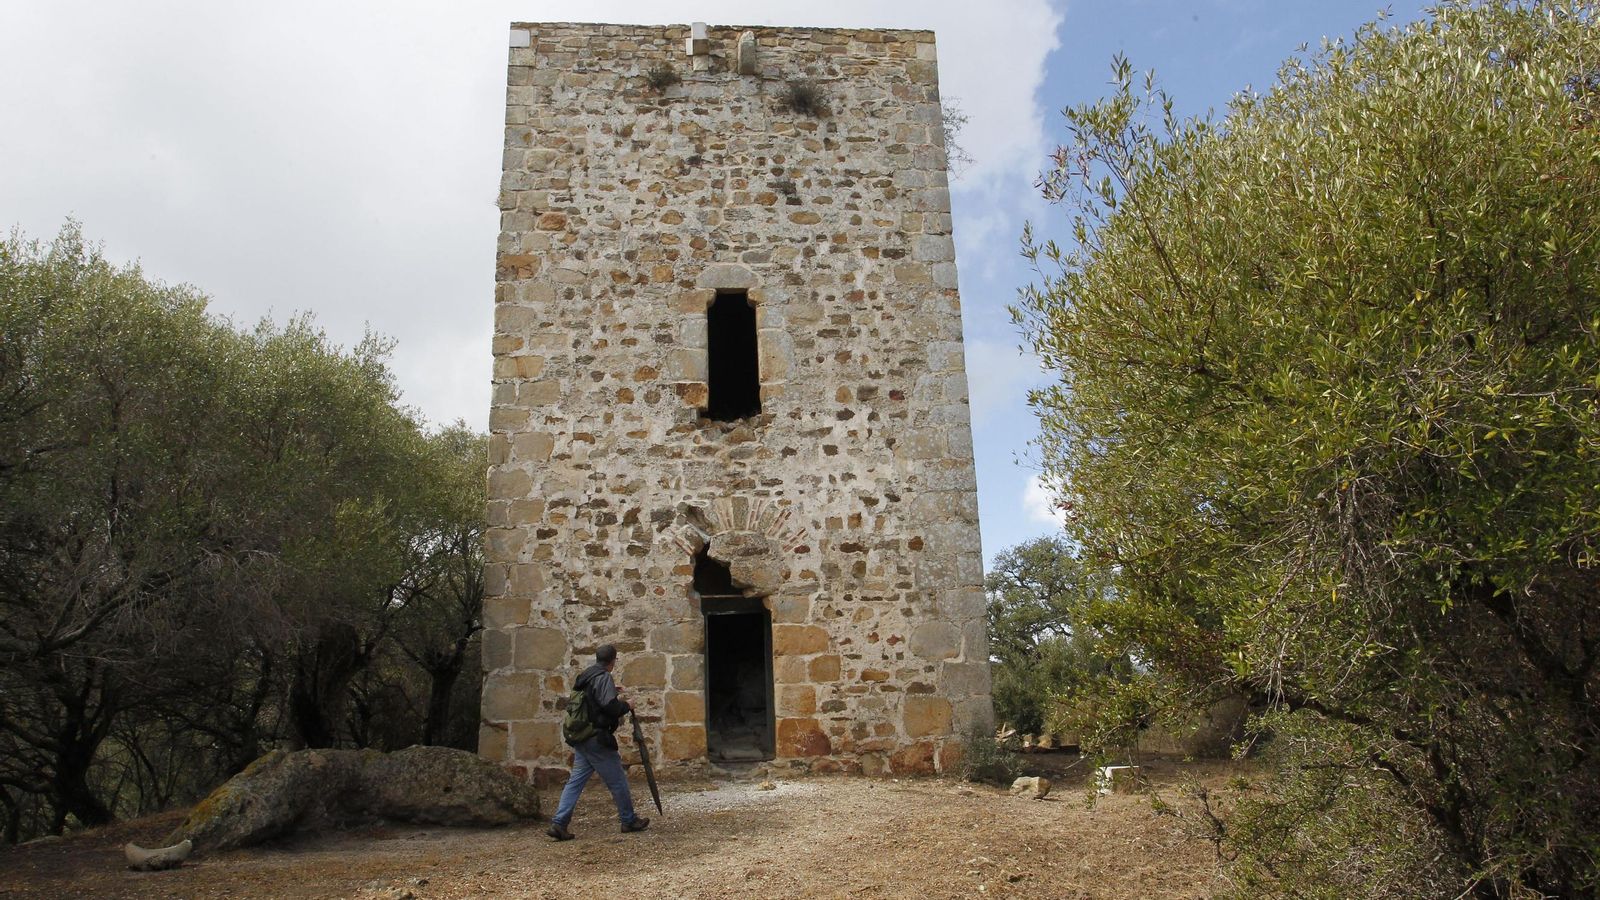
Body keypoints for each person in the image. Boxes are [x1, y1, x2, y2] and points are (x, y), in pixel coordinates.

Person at [546, 644, 650, 840]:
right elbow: (610, 707)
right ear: (612, 661)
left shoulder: (586, 676)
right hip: (596, 738)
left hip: (582, 737)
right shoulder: (603, 677)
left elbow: (593, 700)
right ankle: (629, 820)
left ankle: (559, 823)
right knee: (618, 780)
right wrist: (627, 705)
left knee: (575, 782)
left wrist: (613, 690)